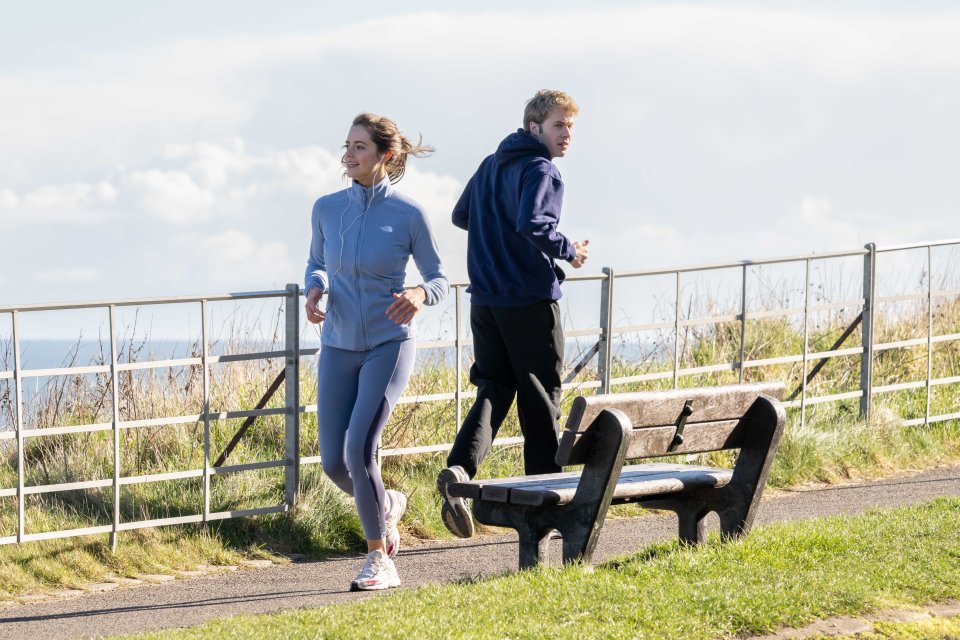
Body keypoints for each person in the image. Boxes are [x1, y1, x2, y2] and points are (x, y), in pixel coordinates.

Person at [304, 113, 448, 590]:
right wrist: (315, 288)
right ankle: (387, 505)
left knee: (360, 451)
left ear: (385, 155)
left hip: (388, 343)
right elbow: (317, 263)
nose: (349, 154)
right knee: (332, 463)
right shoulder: (326, 207)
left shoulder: (408, 214)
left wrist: (419, 295)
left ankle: (378, 560)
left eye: (360, 147)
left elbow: (438, 279)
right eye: (346, 145)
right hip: (338, 345)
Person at [437, 90, 589, 538]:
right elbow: (535, 226)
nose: (567, 135)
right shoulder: (542, 169)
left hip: (485, 300)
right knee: (541, 398)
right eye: (559, 125)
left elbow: (462, 215)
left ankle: (460, 472)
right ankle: (545, 504)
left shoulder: (490, 164)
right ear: (534, 127)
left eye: (571, 127)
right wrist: (570, 251)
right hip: (528, 301)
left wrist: (494, 234)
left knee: (494, 387)